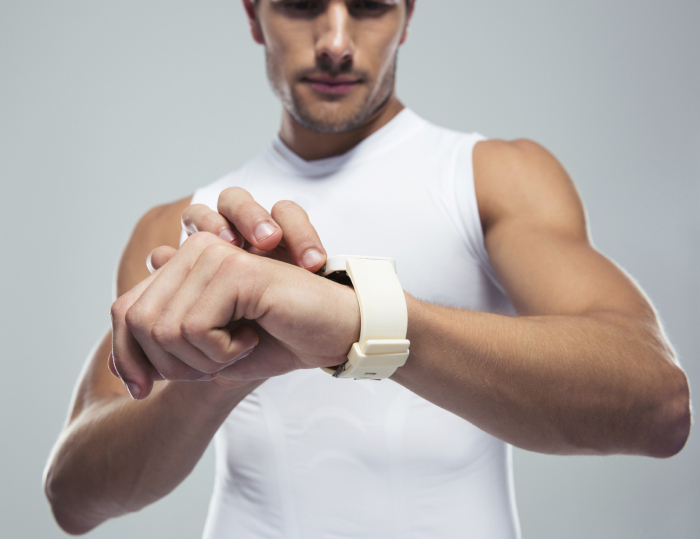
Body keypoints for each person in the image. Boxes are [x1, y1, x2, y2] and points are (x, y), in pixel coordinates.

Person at [44, 1, 691, 537]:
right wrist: (216, 367)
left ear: (407, 15)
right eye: (300, 5)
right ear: (252, 15)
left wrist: (359, 322)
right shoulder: (184, 228)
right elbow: (73, 497)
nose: (335, 40)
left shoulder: (492, 178)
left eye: (370, 6)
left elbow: (659, 404)